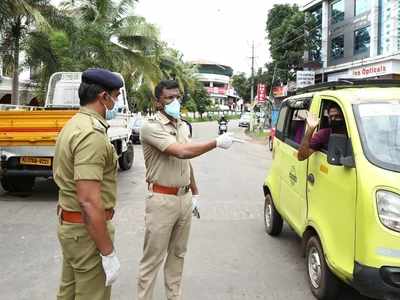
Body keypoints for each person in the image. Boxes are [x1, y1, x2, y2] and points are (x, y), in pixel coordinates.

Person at [137, 80, 239, 300]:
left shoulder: (182, 124)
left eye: (177, 96)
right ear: (158, 102)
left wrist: (195, 192)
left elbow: (186, 163)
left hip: (183, 199)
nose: (175, 101)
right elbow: (181, 152)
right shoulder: (151, 126)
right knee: (152, 259)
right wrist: (216, 142)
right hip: (161, 199)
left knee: (177, 255)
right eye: (168, 98)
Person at [53, 68, 122, 300]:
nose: (118, 100)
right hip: (86, 232)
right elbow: (89, 200)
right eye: (117, 94)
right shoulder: (91, 134)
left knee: (69, 292)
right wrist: (107, 251)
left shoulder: (74, 124)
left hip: (73, 228)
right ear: (104, 97)